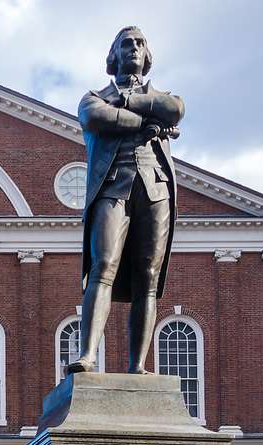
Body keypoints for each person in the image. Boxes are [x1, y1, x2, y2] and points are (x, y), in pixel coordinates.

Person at [69, 25, 185, 375]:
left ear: (146, 55)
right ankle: (88, 356)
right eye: (125, 44)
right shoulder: (94, 97)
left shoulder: (162, 97)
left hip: (154, 187)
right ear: (114, 55)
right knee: (102, 264)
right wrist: (144, 124)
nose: (133, 48)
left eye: (139, 43)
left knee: (147, 276)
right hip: (112, 186)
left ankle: (137, 367)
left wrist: (130, 101)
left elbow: (175, 109)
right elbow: (95, 116)